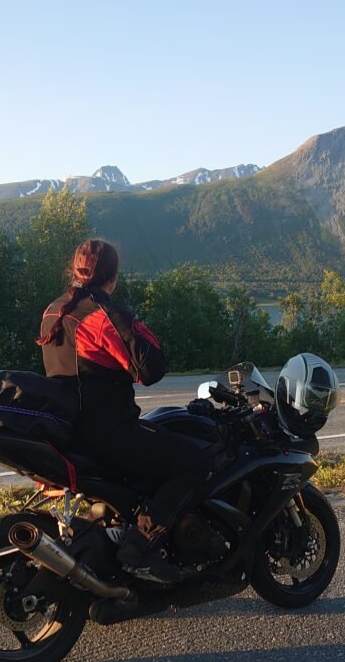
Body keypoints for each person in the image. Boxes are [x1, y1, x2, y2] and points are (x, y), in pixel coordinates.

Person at [38, 238, 220, 582]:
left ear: (74, 269)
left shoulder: (53, 310)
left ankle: (116, 536)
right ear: (113, 277)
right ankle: (140, 547)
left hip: (68, 430)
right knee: (200, 460)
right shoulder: (103, 315)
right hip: (108, 432)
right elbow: (151, 370)